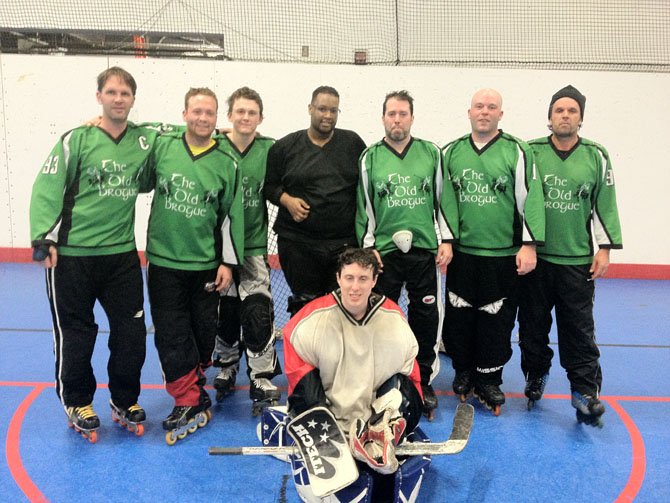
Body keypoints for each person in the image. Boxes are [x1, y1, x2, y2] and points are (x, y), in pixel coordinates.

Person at [28, 67, 165, 442]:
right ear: (99, 96)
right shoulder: (77, 140)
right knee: (77, 332)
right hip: (71, 257)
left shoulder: (144, 141)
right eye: (111, 92)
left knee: (131, 331)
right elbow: (47, 187)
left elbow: (181, 130)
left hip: (120, 255)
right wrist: (43, 239)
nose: (118, 98)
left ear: (133, 99)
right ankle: (77, 400)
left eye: (125, 93)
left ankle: (124, 399)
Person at [142, 87, 244, 444]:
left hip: (205, 264)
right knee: (171, 331)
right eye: (196, 111)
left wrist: (228, 264)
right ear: (184, 114)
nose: (203, 118)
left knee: (203, 333)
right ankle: (187, 397)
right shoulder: (164, 146)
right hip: (164, 261)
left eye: (209, 113)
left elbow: (232, 217)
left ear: (217, 119)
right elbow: (137, 135)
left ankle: (194, 381)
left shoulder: (227, 163)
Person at [283, 247, 427, 501]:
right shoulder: (312, 319)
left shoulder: (393, 319)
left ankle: (378, 434)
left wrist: (398, 412)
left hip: (371, 416)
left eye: (363, 279)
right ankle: (342, 437)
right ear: (338, 278)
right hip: (330, 416)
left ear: (374, 280)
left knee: (403, 388)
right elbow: (298, 374)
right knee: (305, 389)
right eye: (349, 278)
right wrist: (321, 423)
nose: (355, 287)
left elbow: (410, 378)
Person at [517, 85, 622, 426]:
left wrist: (604, 248)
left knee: (578, 329)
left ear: (581, 118)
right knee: (532, 325)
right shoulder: (530, 152)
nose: (565, 115)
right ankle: (535, 375)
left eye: (572, 111)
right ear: (549, 117)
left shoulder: (596, 155)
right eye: (559, 110)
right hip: (538, 260)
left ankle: (584, 391)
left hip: (576, 261)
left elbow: (604, 204)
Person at [356, 90, 459, 419]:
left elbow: (444, 200)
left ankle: (422, 378)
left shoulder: (431, 153)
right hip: (384, 254)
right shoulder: (370, 157)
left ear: (411, 118)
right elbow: (365, 207)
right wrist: (369, 246)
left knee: (425, 317)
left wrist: (446, 239)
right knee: (381, 318)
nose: (396, 120)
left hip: (424, 251)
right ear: (383, 118)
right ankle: (381, 378)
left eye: (402, 114)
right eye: (391, 114)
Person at [442, 88, 545, 415]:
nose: (484, 112)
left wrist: (528, 244)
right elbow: (444, 202)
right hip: (463, 254)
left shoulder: (517, 151)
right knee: (459, 315)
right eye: (479, 106)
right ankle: (463, 371)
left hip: (502, 255)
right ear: (469, 112)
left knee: (496, 319)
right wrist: (445, 240)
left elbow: (530, 198)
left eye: (491, 107)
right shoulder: (451, 152)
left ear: (501, 113)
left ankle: (489, 378)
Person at [264, 86, 366, 317]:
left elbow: (368, 185)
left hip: (343, 244)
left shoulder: (353, 144)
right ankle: (302, 354)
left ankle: (337, 355)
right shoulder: (284, 147)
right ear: (310, 109)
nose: (328, 116)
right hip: (297, 244)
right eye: (322, 109)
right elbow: (269, 186)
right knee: (305, 307)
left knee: (339, 308)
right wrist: (287, 200)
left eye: (333, 110)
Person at [210, 87, 282, 414]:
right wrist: (215, 132)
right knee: (223, 310)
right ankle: (226, 364)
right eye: (240, 111)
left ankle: (261, 374)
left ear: (260, 118)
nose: (245, 117)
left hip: (252, 246)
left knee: (256, 310)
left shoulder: (270, 150)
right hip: (217, 248)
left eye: (252, 112)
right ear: (230, 116)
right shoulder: (214, 145)